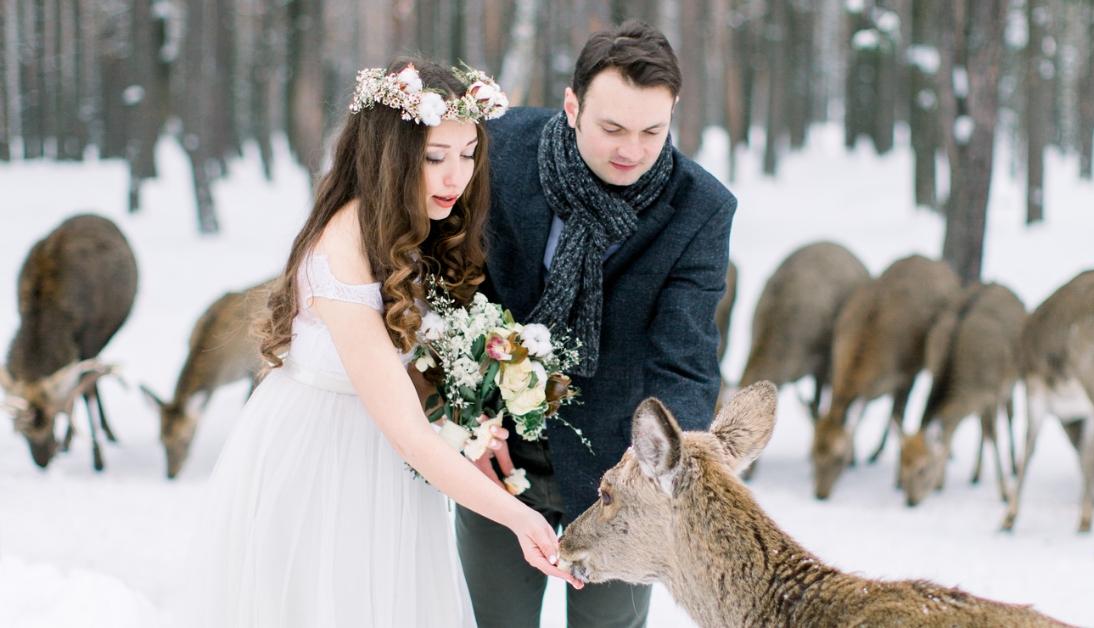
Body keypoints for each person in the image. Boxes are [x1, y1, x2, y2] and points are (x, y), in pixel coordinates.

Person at [183, 59, 580, 628]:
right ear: (391, 156)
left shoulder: (413, 226)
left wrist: (472, 412)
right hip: (324, 460)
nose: (456, 178)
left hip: (383, 459)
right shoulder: (344, 247)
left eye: (468, 155)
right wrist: (521, 519)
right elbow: (412, 434)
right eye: (435, 158)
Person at [456, 21, 736, 628]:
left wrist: (666, 478)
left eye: (651, 131)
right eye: (611, 128)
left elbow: (684, 358)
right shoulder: (498, 152)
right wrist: (464, 413)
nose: (631, 150)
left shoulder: (701, 209)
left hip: (620, 486)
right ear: (572, 104)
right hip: (500, 464)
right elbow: (456, 283)